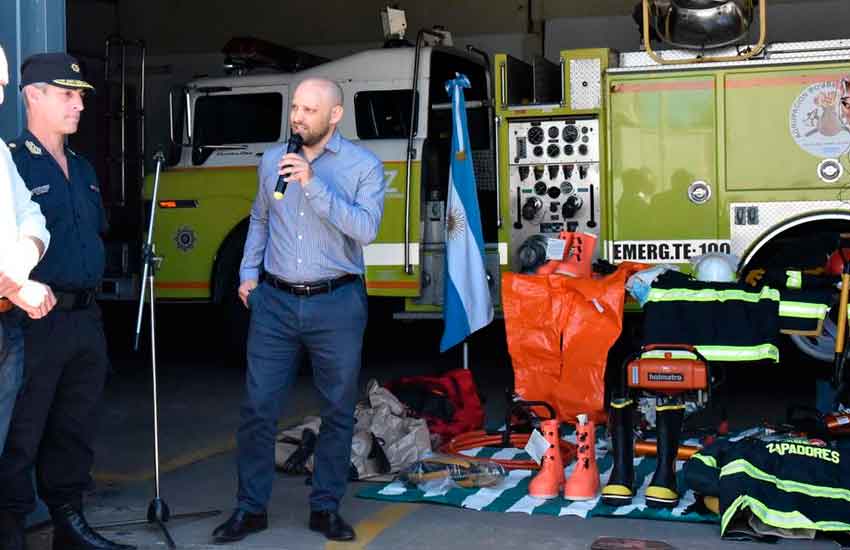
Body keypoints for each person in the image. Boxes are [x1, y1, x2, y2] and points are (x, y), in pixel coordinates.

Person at [211, 77, 386, 544]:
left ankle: (325, 508)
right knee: (257, 408)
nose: (297, 117)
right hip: (276, 304)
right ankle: (250, 509)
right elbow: (261, 219)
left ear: (334, 116)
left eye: (310, 110)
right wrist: (248, 274)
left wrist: (313, 186)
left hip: (337, 303)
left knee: (337, 409)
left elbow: (366, 229)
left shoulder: (364, 167)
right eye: (295, 108)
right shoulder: (271, 161)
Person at [0, 53, 134, 550]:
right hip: (31, 319)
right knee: (21, 431)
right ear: (33, 95)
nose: (78, 105)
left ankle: (68, 525)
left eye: (80, 96)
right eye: (67, 94)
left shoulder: (81, 167)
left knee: (74, 428)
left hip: (85, 317)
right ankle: (10, 527)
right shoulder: (12, 160)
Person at [0, 43, 55, 460]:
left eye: (3, 85)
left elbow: (32, 217)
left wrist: (15, 276)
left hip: (7, 326)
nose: (1, 97)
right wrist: (17, 286)